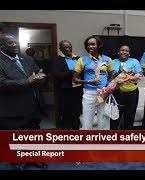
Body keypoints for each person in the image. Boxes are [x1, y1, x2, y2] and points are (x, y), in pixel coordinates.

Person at [0, 33, 48, 170]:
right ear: (2, 46)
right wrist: (27, 81)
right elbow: (2, 84)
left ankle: (34, 158)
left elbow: (36, 74)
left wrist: (41, 78)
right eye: (11, 44)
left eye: (16, 42)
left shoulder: (26, 58)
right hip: (13, 108)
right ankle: (18, 161)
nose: (15, 45)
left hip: (33, 105)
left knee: (33, 134)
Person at [73, 36, 113, 130]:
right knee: (87, 120)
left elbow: (110, 76)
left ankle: (102, 141)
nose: (90, 46)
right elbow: (75, 79)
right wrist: (89, 81)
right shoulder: (82, 60)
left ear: (99, 45)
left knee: (104, 119)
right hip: (89, 93)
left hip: (103, 92)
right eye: (88, 45)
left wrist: (118, 75)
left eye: (93, 44)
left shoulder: (107, 59)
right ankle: (87, 141)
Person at [51, 40, 83, 130]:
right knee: (66, 116)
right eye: (65, 47)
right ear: (60, 49)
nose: (67, 49)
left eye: (69, 46)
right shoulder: (56, 60)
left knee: (77, 115)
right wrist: (74, 72)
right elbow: (57, 75)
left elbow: (83, 73)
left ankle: (77, 138)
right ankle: (67, 138)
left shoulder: (78, 58)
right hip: (65, 92)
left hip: (77, 91)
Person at [110, 45, 143, 130]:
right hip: (117, 92)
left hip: (132, 92)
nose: (124, 52)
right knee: (115, 117)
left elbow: (140, 75)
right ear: (118, 52)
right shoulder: (113, 62)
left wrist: (130, 74)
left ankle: (127, 138)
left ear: (129, 53)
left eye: (126, 51)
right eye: (122, 50)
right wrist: (120, 72)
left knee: (130, 116)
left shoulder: (134, 61)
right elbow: (111, 77)